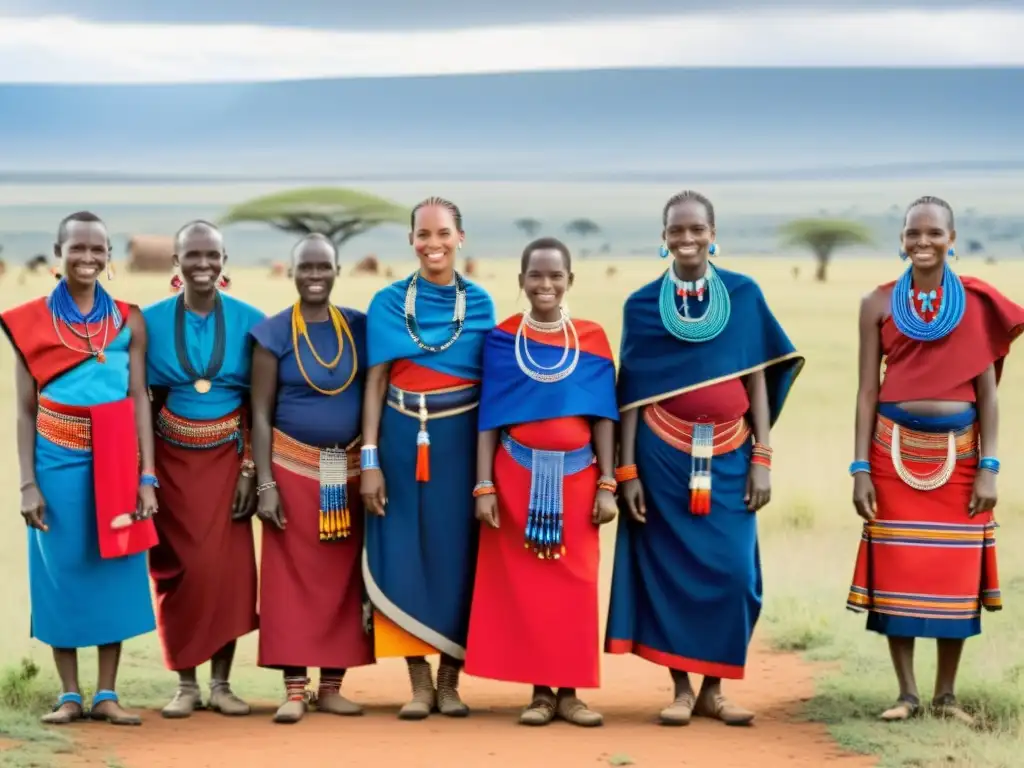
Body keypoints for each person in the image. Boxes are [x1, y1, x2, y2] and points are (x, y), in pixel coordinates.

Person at [605, 190, 804, 726]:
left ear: (714, 234)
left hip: (731, 455)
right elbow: (632, 394)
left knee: (733, 572)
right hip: (660, 458)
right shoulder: (642, 305)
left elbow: (757, 379)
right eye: (677, 230)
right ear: (663, 237)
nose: (687, 239)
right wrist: (626, 472)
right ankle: (681, 689)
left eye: (697, 229)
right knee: (668, 571)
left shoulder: (743, 295)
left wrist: (762, 456)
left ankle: (716, 688)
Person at [846, 196, 1024, 725]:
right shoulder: (876, 302)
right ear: (900, 240)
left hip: (962, 460)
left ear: (953, 239)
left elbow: (989, 396)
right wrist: (859, 469)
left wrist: (990, 467)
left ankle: (946, 696)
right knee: (899, 568)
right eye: (912, 234)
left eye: (934, 233)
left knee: (954, 574)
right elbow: (865, 391)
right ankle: (907, 694)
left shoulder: (976, 303)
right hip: (890, 455)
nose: (923, 242)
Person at [0, 211, 158, 726]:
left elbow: (139, 398)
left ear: (109, 255)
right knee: (61, 571)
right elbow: (25, 409)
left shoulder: (129, 319)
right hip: (56, 458)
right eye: (78, 248)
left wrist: (146, 476)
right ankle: (69, 695)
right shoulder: (31, 321)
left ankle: (107, 693)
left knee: (114, 565)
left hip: (117, 456)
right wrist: (27, 484)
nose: (88, 257)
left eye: (98, 249)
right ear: (58, 250)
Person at [464, 238, 619, 726]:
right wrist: (484, 485)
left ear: (570, 280)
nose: (545, 284)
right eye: (536, 275)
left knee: (575, 583)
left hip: (578, 478)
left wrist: (608, 482)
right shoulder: (503, 339)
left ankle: (570, 693)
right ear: (521, 281)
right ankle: (539, 694)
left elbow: (604, 419)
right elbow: (489, 417)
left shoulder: (592, 339)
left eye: (556, 276)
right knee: (528, 586)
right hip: (516, 477)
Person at [361, 196, 496, 719]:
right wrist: (369, 458)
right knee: (401, 549)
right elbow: (375, 382)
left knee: (456, 553)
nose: (433, 243)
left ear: (461, 237)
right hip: (398, 439)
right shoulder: (389, 303)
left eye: (443, 233)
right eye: (423, 234)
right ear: (411, 240)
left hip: (461, 444)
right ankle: (417, 682)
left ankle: (449, 682)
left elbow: (494, 388)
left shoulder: (480, 304)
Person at [249, 234, 375, 723]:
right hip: (291, 469)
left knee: (343, 579)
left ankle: (333, 685)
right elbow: (258, 414)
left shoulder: (360, 328)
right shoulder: (272, 334)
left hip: (345, 474)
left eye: (324, 266)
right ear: (292, 272)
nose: (316, 276)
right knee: (290, 581)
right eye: (306, 268)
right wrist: (265, 483)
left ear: (338, 269)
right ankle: (294, 690)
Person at [142, 220, 266, 718]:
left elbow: (260, 405)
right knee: (180, 572)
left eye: (211, 255)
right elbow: (142, 402)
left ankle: (221, 684)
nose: (202, 264)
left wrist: (250, 472)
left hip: (228, 464)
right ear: (176, 262)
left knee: (228, 574)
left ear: (223, 260)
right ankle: (185, 685)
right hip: (171, 465)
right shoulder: (147, 323)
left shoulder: (251, 321)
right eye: (191, 255)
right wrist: (144, 473)